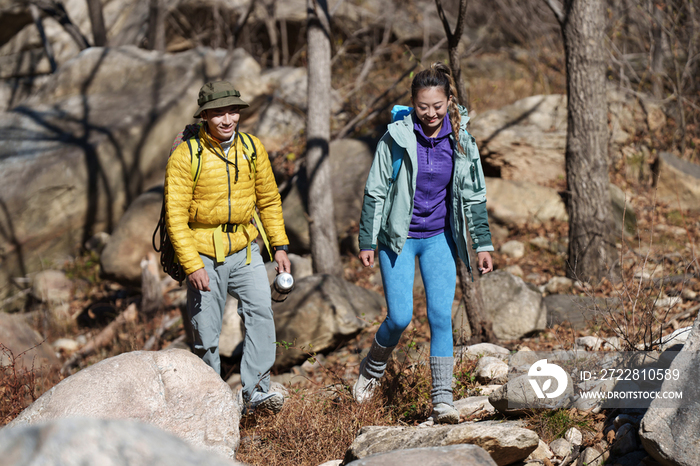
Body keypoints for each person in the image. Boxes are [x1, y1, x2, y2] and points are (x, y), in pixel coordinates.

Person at [355, 63, 494, 424]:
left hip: (438, 239)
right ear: (413, 104)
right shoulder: (395, 137)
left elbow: (474, 195)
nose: (431, 114)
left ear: (449, 100)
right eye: (423, 107)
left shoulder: (463, 140)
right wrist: (367, 240)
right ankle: (372, 367)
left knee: (439, 317)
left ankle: (442, 400)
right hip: (397, 239)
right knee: (399, 317)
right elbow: (375, 190)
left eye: (437, 106)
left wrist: (483, 244)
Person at [165, 81, 291, 414]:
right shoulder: (186, 156)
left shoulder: (252, 148)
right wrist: (191, 264)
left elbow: (268, 199)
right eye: (218, 112)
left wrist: (278, 245)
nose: (227, 119)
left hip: (246, 248)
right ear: (205, 115)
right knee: (205, 336)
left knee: (261, 314)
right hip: (203, 252)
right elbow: (175, 216)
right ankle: (211, 403)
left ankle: (257, 392)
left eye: (232, 111)